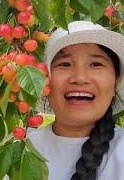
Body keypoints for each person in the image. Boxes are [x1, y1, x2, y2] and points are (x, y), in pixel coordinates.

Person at [28, 21, 124, 180]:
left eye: (96, 64)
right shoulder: (22, 148)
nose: (80, 78)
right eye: (64, 64)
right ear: (44, 82)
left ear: (115, 82)